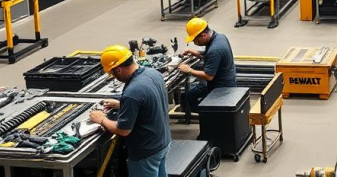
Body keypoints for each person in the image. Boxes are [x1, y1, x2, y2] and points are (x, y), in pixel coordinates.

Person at [89, 45, 171, 177]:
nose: (113, 77)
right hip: (162, 142)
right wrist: (122, 105)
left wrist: (101, 119)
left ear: (118, 69)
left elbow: (123, 130)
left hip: (146, 151)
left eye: (112, 73)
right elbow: (149, 103)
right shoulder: (153, 73)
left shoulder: (133, 92)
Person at [178, 17, 237, 114]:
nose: (195, 43)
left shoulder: (214, 50)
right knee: (191, 95)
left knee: (194, 98)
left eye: (196, 40)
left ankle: (205, 115)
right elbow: (214, 57)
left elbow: (209, 76)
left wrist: (189, 70)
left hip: (221, 88)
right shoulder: (220, 37)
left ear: (204, 35)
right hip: (226, 80)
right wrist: (197, 53)